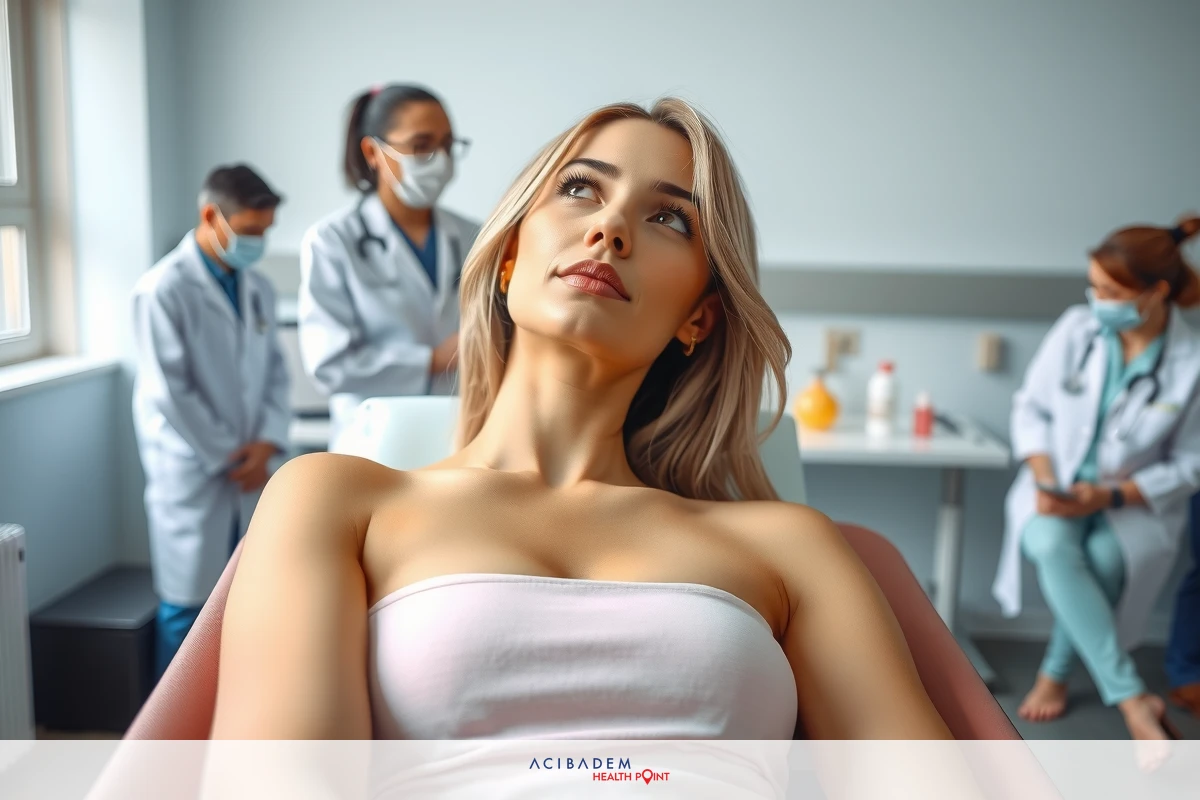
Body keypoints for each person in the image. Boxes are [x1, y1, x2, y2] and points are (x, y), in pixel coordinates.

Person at [210, 98, 949, 741]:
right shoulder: (332, 502)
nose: (610, 229)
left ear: (700, 317)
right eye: (579, 189)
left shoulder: (788, 546)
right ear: (507, 259)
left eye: (667, 217)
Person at [994, 215, 1200, 740]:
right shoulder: (1075, 329)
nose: (1096, 299)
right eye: (1094, 286)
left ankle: (1055, 674)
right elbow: (1030, 409)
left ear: (1155, 292)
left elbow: (1192, 462)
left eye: (1110, 290)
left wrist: (1108, 494)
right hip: (1056, 490)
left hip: (1129, 502)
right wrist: (1045, 478)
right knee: (1051, 546)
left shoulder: (1191, 360)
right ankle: (1132, 698)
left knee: (1107, 561)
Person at [132, 165, 291, 677]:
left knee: (246, 601)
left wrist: (267, 442)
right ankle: (171, 745)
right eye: (249, 232)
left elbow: (276, 374)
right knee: (186, 609)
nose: (258, 243)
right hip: (194, 468)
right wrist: (228, 454)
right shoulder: (162, 288)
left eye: (264, 233)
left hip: (250, 463)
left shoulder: (258, 288)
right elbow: (168, 389)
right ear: (210, 216)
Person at [298, 84, 479, 444]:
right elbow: (329, 365)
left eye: (447, 145)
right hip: (372, 442)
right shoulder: (333, 241)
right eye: (422, 145)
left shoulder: (476, 235)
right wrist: (430, 360)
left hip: (458, 434)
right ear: (373, 152)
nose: (440, 160)